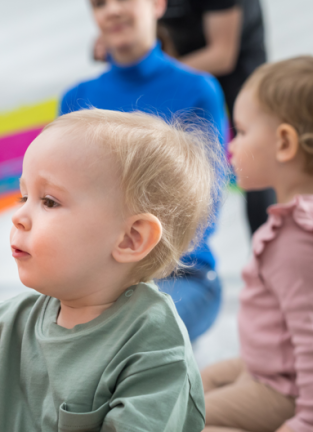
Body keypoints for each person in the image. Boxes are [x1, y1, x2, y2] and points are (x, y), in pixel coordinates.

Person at [0, 109, 225, 431]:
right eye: (23, 196)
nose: (18, 216)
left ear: (131, 239)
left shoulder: (155, 346)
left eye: (49, 202)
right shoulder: (13, 321)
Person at [203, 56, 313, 432]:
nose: (231, 145)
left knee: (183, 419)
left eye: (243, 132)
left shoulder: (298, 238)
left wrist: (312, 421)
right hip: (285, 370)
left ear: (284, 143)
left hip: (308, 394)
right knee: (194, 383)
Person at [62, 0, 227, 342]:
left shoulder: (199, 90)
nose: (111, 10)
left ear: (157, 4)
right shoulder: (77, 98)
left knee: (132, 332)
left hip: (182, 275)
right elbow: (65, 202)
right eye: (99, 4)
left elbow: (205, 204)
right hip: (101, 278)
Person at [159, 0, 276, 236]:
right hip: (185, 54)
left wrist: (156, 72)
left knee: (255, 163)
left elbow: (222, 55)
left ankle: (267, 252)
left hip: (237, 63)